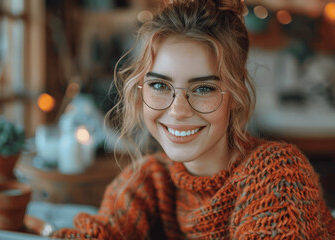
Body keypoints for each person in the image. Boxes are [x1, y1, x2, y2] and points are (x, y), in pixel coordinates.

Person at [52, 0, 335, 239]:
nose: (178, 111)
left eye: (203, 89)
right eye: (160, 86)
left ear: (235, 95)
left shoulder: (278, 173)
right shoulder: (149, 179)